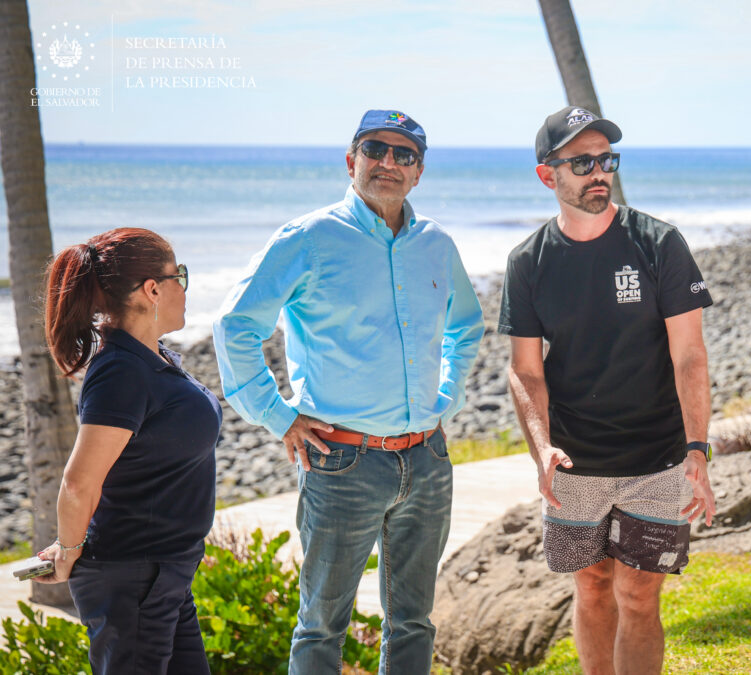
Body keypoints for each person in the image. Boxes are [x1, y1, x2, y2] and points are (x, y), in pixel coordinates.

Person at [214, 109, 483, 674]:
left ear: (419, 171)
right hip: (341, 462)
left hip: (428, 458)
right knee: (321, 627)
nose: (388, 163)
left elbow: (466, 324)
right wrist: (277, 416)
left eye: (403, 154)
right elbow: (235, 325)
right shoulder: (308, 238)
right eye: (374, 150)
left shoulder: (436, 243)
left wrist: (449, 396)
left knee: (414, 619)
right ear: (351, 160)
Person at [499, 106, 717, 675]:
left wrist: (698, 450)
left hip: (659, 458)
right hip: (575, 462)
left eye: (606, 160)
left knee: (640, 595)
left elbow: (690, 355)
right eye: (582, 162)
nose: (600, 172)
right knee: (593, 587)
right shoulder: (528, 261)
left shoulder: (658, 243)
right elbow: (525, 370)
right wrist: (541, 449)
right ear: (549, 175)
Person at [34, 228, 220, 674]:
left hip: (164, 575)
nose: (185, 287)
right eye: (181, 276)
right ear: (152, 289)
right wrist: (68, 546)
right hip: (133, 575)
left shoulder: (151, 358)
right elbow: (79, 482)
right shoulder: (120, 371)